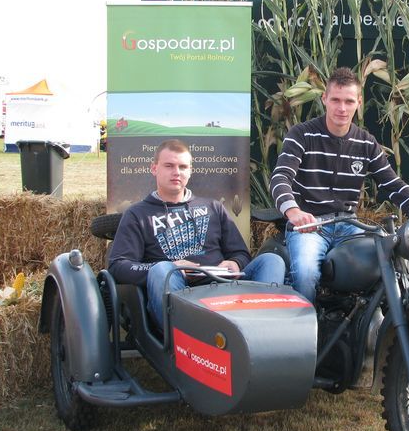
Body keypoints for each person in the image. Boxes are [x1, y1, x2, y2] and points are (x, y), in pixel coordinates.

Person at [270, 67, 409, 302]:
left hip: (348, 225)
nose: (342, 108)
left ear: (359, 103)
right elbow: (281, 177)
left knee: (392, 263)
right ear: (325, 99)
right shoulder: (301, 134)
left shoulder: (366, 143)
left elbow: (393, 184)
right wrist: (294, 212)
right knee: (306, 272)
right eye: (336, 100)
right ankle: (308, 336)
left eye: (349, 101)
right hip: (310, 226)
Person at [109, 139, 286, 329]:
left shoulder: (213, 207)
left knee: (272, 260)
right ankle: (186, 335)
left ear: (190, 170)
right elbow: (118, 266)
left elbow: (242, 254)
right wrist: (170, 267)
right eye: (169, 166)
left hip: (221, 288)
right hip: (177, 295)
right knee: (162, 270)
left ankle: (262, 328)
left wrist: (234, 263)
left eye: (183, 167)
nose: (177, 172)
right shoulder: (138, 214)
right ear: (154, 168)